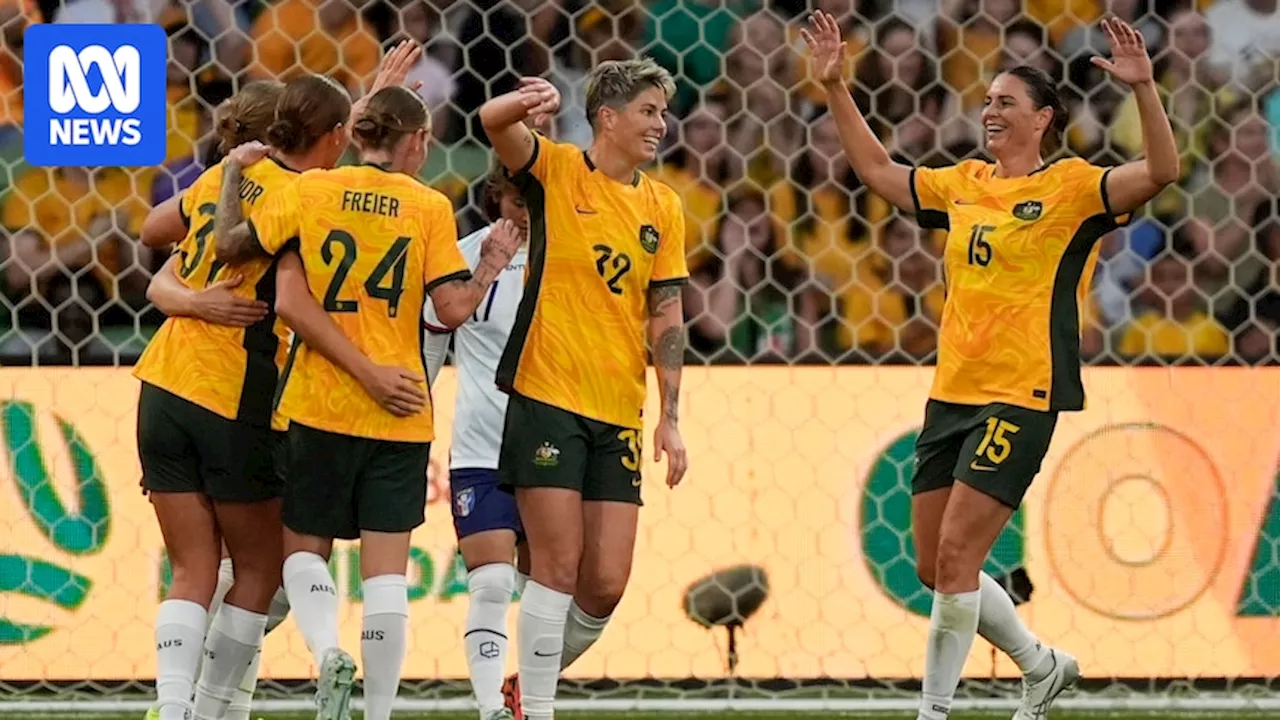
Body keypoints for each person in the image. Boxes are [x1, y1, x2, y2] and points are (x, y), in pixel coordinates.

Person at [802, 13, 1178, 720]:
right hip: (953, 394)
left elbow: (1161, 171)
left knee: (952, 563)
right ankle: (1041, 666)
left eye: (1006, 101)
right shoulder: (965, 183)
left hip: (1022, 392)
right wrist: (835, 88)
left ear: (1043, 120)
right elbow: (881, 172)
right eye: (988, 101)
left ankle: (933, 711)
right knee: (935, 569)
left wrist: (1145, 90)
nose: (990, 111)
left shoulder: (1071, 187)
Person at [225, 85, 520, 720]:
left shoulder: (313, 192)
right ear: (416, 140)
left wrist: (232, 180)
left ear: (360, 135)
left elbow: (235, 247)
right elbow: (451, 311)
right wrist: (490, 265)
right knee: (386, 575)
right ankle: (380, 713)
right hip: (402, 406)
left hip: (320, 401)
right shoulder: (429, 206)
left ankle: (328, 650)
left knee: (305, 549)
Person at [478, 58, 692, 720]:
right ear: (608, 116)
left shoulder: (663, 206)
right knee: (559, 566)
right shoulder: (558, 170)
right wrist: (525, 99)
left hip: (617, 408)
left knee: (605, 583)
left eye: (662, 112)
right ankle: (536, 711)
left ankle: (523, 686)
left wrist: (671, 415)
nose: (661, 123)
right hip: (548, 394)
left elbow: (666, 315)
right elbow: (491, 123)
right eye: (649, 111)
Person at [422, 166, 532, 720]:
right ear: (495, 197)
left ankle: (531, 691)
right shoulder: (459, 256)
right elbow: (433, 338)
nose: (526, 212)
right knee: (490, 585)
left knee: (557, 591)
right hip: (480, 451)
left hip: (555, 449)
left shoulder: (569, 257)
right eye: (517, 199)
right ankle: (492, 709)